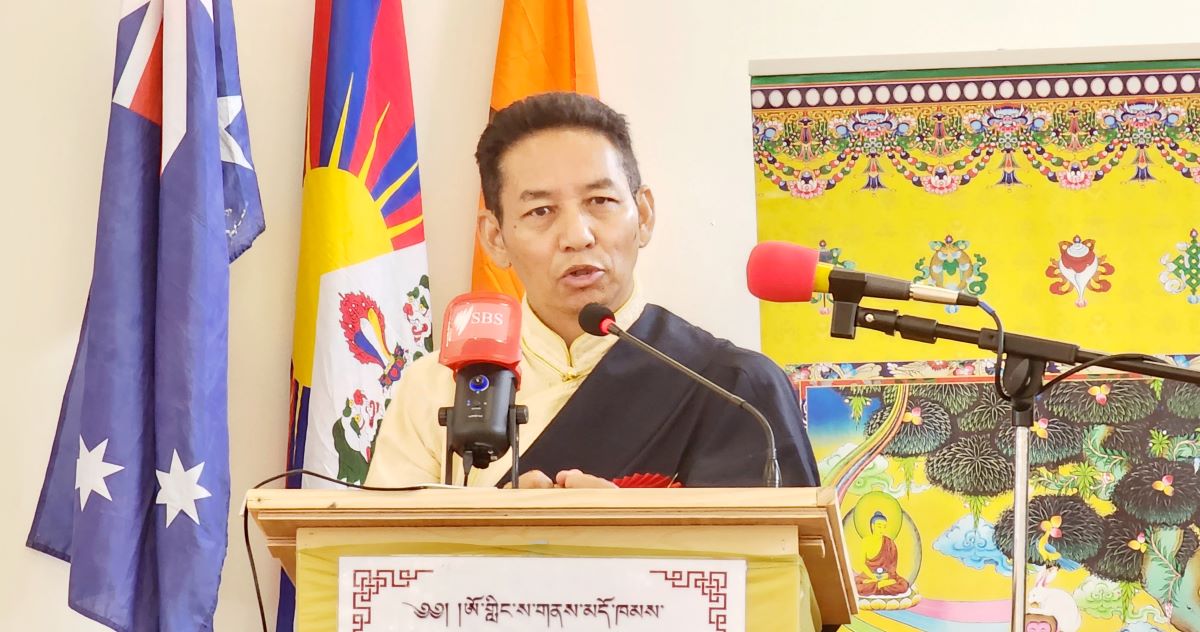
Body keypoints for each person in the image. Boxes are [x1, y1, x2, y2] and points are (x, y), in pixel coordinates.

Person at [365, 92, 819, 490]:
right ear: (495, 238)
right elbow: (375, 567)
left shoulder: (732, 388)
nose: (577, 235)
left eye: (600, 202)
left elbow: (773, 578)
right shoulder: (436, 390)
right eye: (541, 210)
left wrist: (625, 535)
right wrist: (498, 529)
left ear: (643, 215)